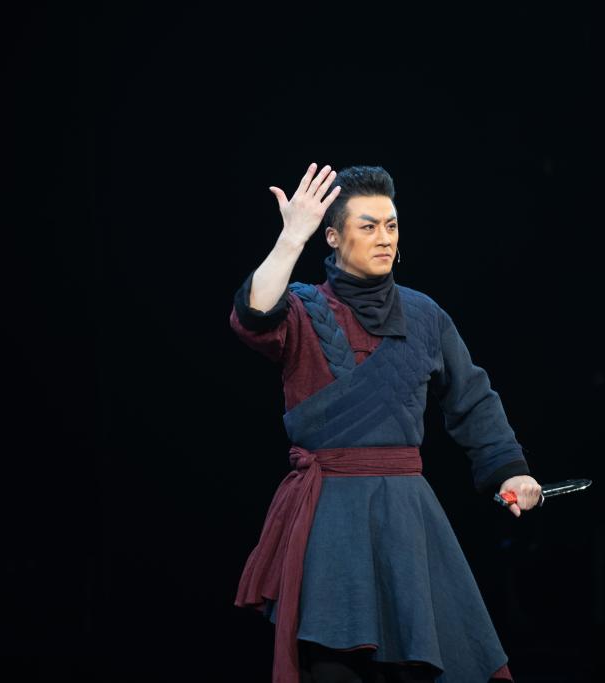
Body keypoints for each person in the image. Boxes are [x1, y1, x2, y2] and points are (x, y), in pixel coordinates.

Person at [230, 162, 543, 683]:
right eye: (368, 226)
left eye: (391, 225)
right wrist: (291, 238)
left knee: (420, 661)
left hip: (404, 514)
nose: (384, 237)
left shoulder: (424, 315)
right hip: (329, 515)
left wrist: (510, 471)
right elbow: (253, 318)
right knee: (333, 664)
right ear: (333, 237)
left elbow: (472, 399)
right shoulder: (302, 310)